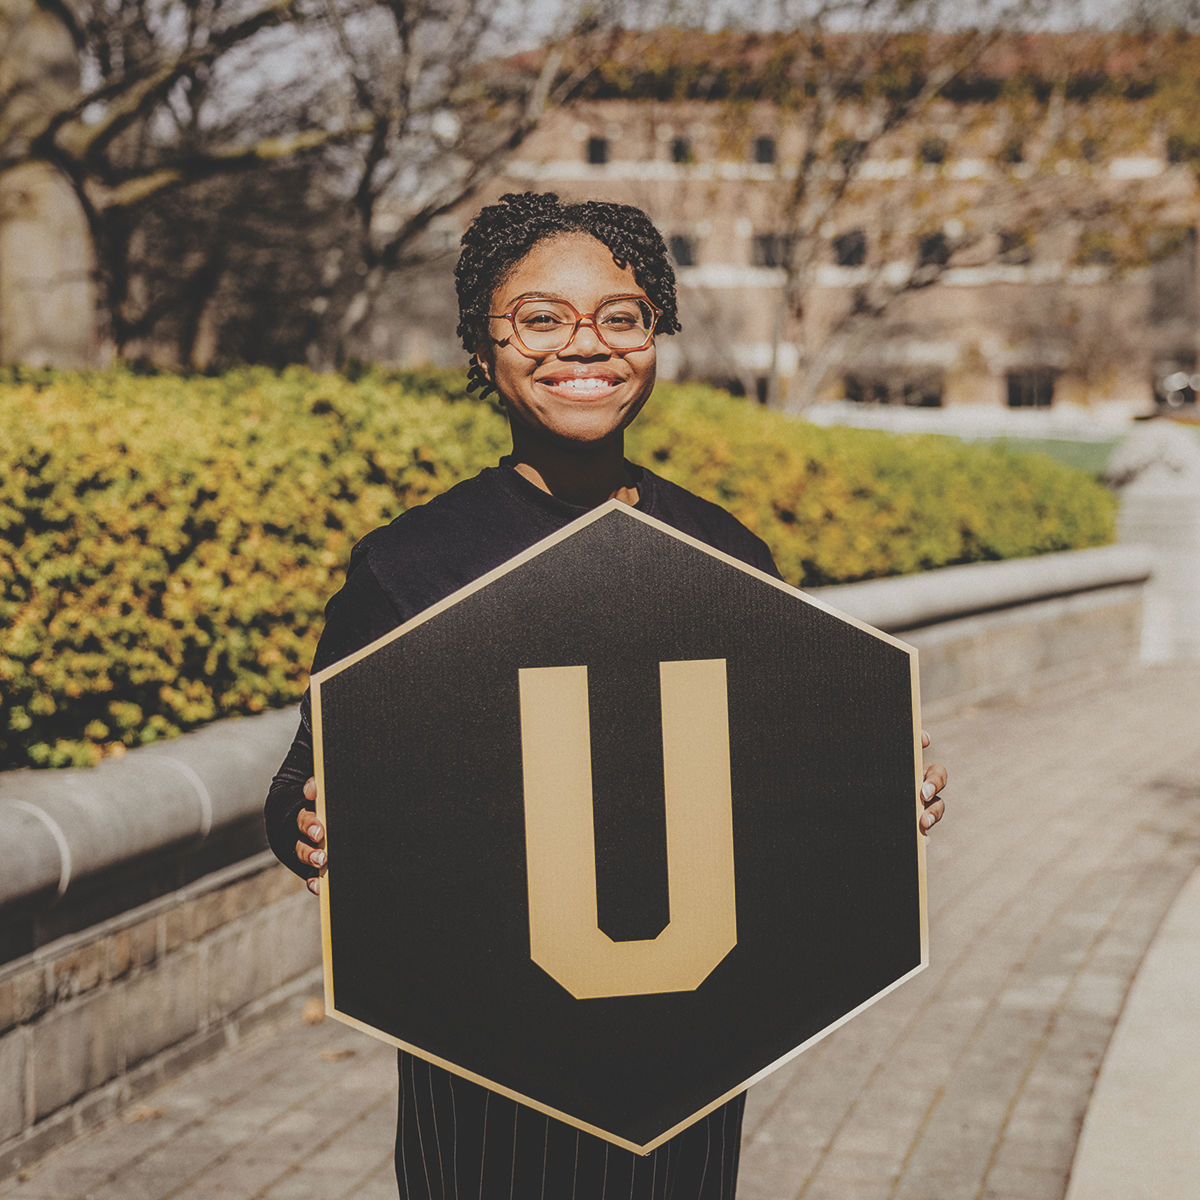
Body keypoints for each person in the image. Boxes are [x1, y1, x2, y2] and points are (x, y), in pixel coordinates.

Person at [264, 190, 948, 1200]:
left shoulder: (725, 553)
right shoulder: (410, 567)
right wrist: (309, 825)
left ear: (655, 335)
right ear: (481, 345)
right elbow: (299, 784)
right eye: (540, 318)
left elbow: (782, 776)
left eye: (620, 317)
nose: (584, 346)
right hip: (488, 1081)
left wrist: (880, 789)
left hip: (690, 1072)